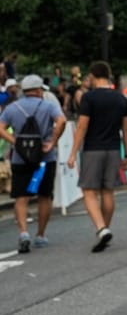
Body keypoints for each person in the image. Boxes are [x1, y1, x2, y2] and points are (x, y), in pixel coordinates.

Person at [66, 61, 127, 253]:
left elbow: (82, 126)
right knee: (108, 192)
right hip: (113, 149)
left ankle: (101, 228)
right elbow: (126, 130)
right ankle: (105, 227)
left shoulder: (89, 98)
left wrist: (72, 153)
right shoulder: (122, 99)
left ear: (93, 76)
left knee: (88, 191)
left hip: (93, 148)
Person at [0, 75, 66, 253]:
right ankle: (40, 235)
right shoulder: (48, 106)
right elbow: (62, 121)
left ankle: (23, 232)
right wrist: (53, 141)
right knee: (45, 195)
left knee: (21, 197)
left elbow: (0, 127)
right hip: (45, 158)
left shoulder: (12, 107)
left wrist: (15, 142)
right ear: (38, 90)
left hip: (20, 158)